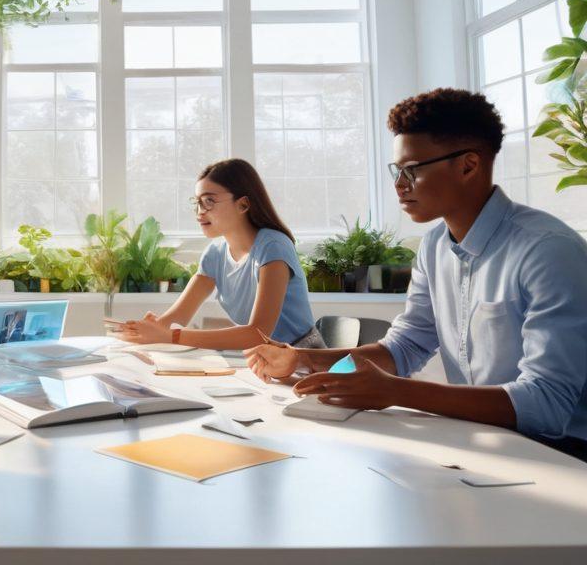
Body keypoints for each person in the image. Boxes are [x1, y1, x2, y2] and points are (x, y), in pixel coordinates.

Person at [245, 89, 587, 461]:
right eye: (397, 171)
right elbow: (403, 347)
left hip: (562, 454)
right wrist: (301, 359)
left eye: (412, 170)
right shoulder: (435, 245)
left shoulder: (548, 251)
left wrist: (395, 392)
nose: (399, 185)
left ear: (468, 165)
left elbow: (546, 405)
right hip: (485, 442)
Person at [112, 159, 323, 350]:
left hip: (303, 359)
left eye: (209, 201)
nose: (199, 212)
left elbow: (257, 334)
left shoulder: (273, 247)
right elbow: (178, 317)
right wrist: (148, 329)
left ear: (243, 204)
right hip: (264, 361)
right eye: (197, 203)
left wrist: (171, 336)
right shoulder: (215, 253)